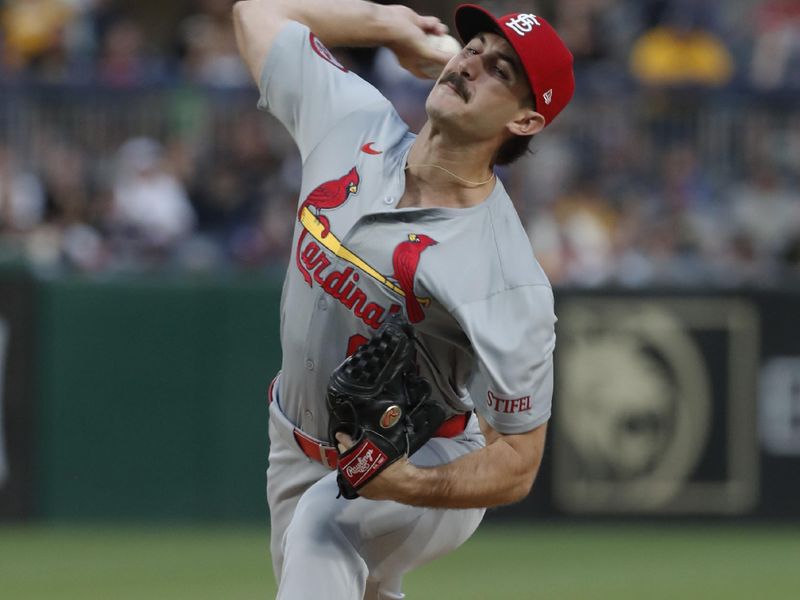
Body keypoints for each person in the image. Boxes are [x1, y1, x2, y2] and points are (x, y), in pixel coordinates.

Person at [233, 2, 574, 598]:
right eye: (473, 47)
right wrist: (389, 25)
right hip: (293, 441)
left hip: (422, 452)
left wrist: (405, 482)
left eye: (501, 71)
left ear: (524, 121)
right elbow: (257, 13)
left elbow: (518, 460)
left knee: (324, 524)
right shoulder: (353, 121)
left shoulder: (503, 271)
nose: (472, 64)